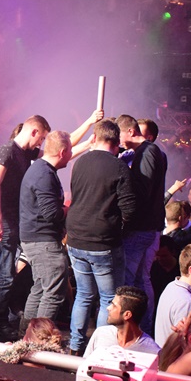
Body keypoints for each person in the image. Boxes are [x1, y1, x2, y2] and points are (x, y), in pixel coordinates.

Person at [66, 120, 136, 355]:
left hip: (76, 238)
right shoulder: (119, 167)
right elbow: (129, 209)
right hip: (102, 242)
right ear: (116, 143)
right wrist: (118, 227)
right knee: (108, 299)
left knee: (83, 295)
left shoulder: (79, 162)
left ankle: (75, 347)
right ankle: (99, 351)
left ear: (95, 138)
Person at [0, 115, 50, 341]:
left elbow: (58, 150)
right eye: (41, 138)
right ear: (34, 132)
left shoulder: (24, 153)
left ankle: (9, 316)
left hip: (15, 220)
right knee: (5, 275)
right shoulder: (7, 150)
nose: (41, 143)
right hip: (5, 221)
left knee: (11, 273)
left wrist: (88, 131)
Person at [19, 130, 73, 333]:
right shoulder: (44, 174)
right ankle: (38, 342)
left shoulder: (41, 170)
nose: (71, 155)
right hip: (43, 242)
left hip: (35, 239)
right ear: (62, 152)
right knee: (53, 293)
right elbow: (52, 213)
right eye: (70, 151)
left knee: (40, 288)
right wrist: (69, 207)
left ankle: (24, 337)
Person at [117, 115, 167, 327]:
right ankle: (142, 326)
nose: (117, 139)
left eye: (119, 134)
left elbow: (141, 191)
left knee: (130, 280)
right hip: (146, 226)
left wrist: (123, 172)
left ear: (130, 132)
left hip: (140, 228)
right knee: (139, 279)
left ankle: (133, 327)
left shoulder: (147, 152)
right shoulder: (145, 152)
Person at [83, 286, 160, 358]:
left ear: (127, 315)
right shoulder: (101, 334)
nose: (108, 308)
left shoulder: (152, 352)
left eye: (114, 305)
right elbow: (84, 364)